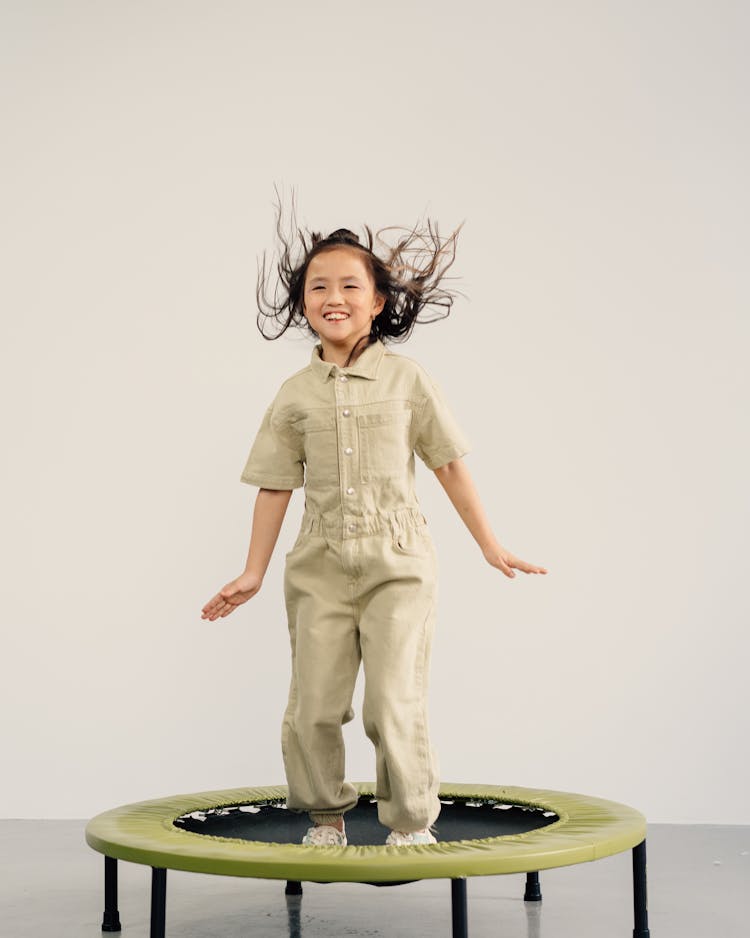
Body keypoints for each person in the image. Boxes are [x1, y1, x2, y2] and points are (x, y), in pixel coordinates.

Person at [201, 197, 547, 847]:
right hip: (319, 564)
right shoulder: (293, 395)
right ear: (304, 304)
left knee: (392, 701)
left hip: (399, 560)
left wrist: (491, 546)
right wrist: (252, 570)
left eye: (350, 285)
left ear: (379, 300)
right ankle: (325, 818)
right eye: (318, 287)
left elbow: (447, 466)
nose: (334, 297)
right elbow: (275, 484)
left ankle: (411, 823)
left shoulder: (409, 380)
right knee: (312, 706)